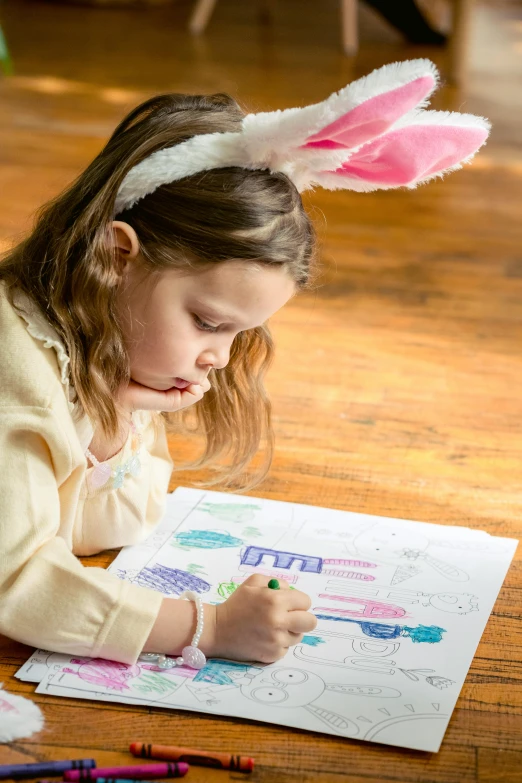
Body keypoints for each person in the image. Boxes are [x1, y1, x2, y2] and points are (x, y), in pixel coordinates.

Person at [0, 59, 489, 667]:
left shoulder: (104, 343)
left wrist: (114, 418)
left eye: (241, 332)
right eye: (208, 322)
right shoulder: (18, 376)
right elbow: (13, 581)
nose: (219, 357)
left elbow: (105, 529)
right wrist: (204, 627)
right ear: (118, 255)